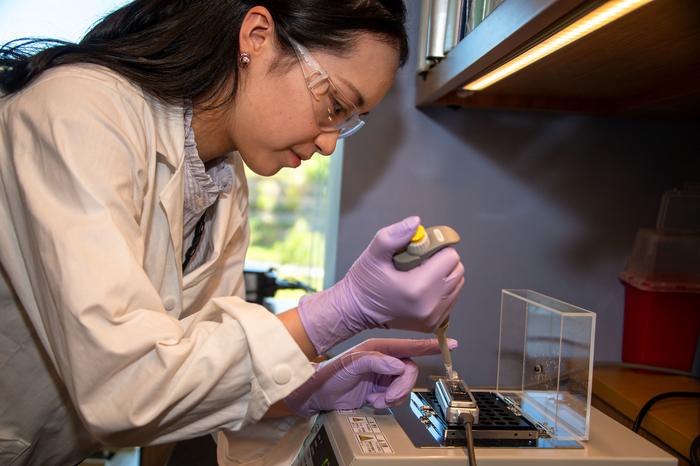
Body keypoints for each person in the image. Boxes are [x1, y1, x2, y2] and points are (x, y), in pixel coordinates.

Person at [0, 1, 465, 465]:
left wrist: (308, 389)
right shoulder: (76, 113)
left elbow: (190, 373)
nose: (328, 143)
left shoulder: (222, 180)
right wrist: (339, 311)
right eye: (334, 105)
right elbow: (121, 385)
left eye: (346, 122)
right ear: (257, 37)